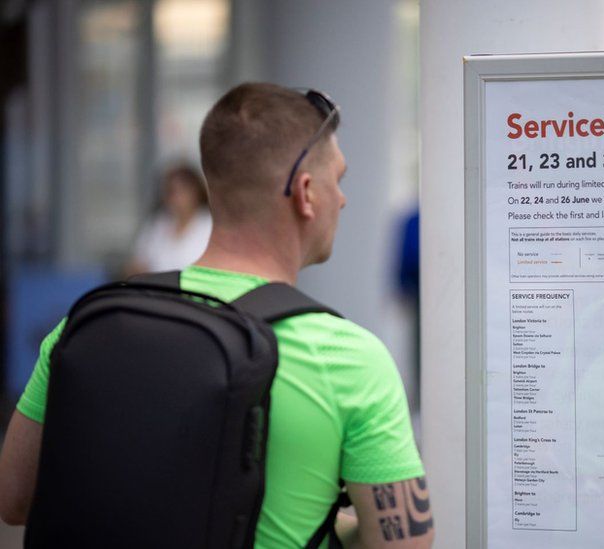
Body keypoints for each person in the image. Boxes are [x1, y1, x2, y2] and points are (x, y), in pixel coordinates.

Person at [0, 82, 434, 548]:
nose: (342, 199)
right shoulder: (348, 359)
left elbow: (13, 499)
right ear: (306, 194)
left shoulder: (80, 329)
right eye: (339, 179)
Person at [124, 163, 213, 275]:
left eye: (182, 191)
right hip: (157, 290)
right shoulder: (157, 224)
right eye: (171, 191)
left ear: (196, 192)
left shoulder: (209, 225)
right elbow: (136, 265)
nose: (176, 198)